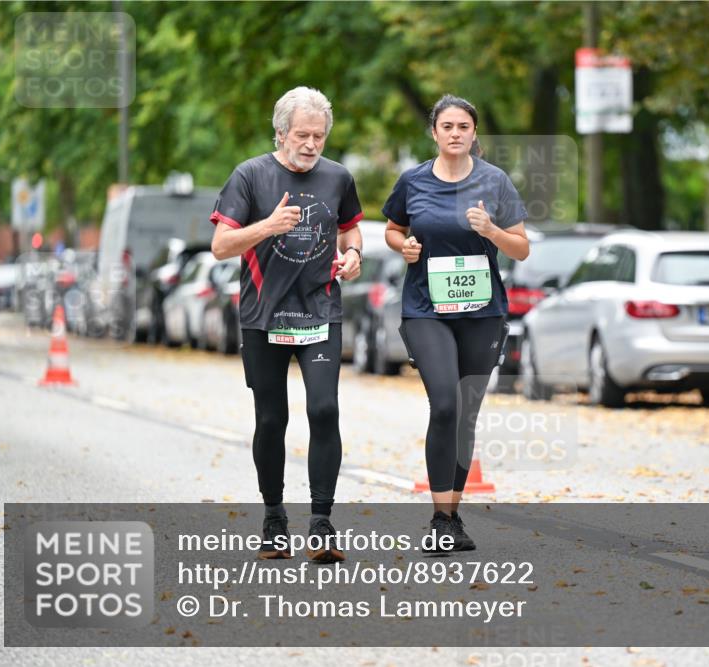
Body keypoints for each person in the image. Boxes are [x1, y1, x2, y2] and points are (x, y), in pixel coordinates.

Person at [210, 86, 363, 562]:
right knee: (272, 419)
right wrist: (267, 227)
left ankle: (322, 523)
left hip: (319, 312)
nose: (311, 144)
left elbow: (351, 227)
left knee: (324, 410)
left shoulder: (338, 178)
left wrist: (354, 253)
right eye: (302, 135)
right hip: (264, 317)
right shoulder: (250, 176)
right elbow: (220, 245)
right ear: (281, 133)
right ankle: (274, 517)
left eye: (319, 136)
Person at [383, 95, 529, 551]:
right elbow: (393, 228)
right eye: (447, 126)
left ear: (473, 132)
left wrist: (491, 231)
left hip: (482, 313)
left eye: (463, 126)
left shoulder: (495, 181)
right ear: (434, 132)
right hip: (426, 308)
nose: (455, 133)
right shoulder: (413, 181)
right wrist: (402, 246)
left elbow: (521, 248)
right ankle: (439, 516)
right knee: (444, 404)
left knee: (465, 415)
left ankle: (450, 518)